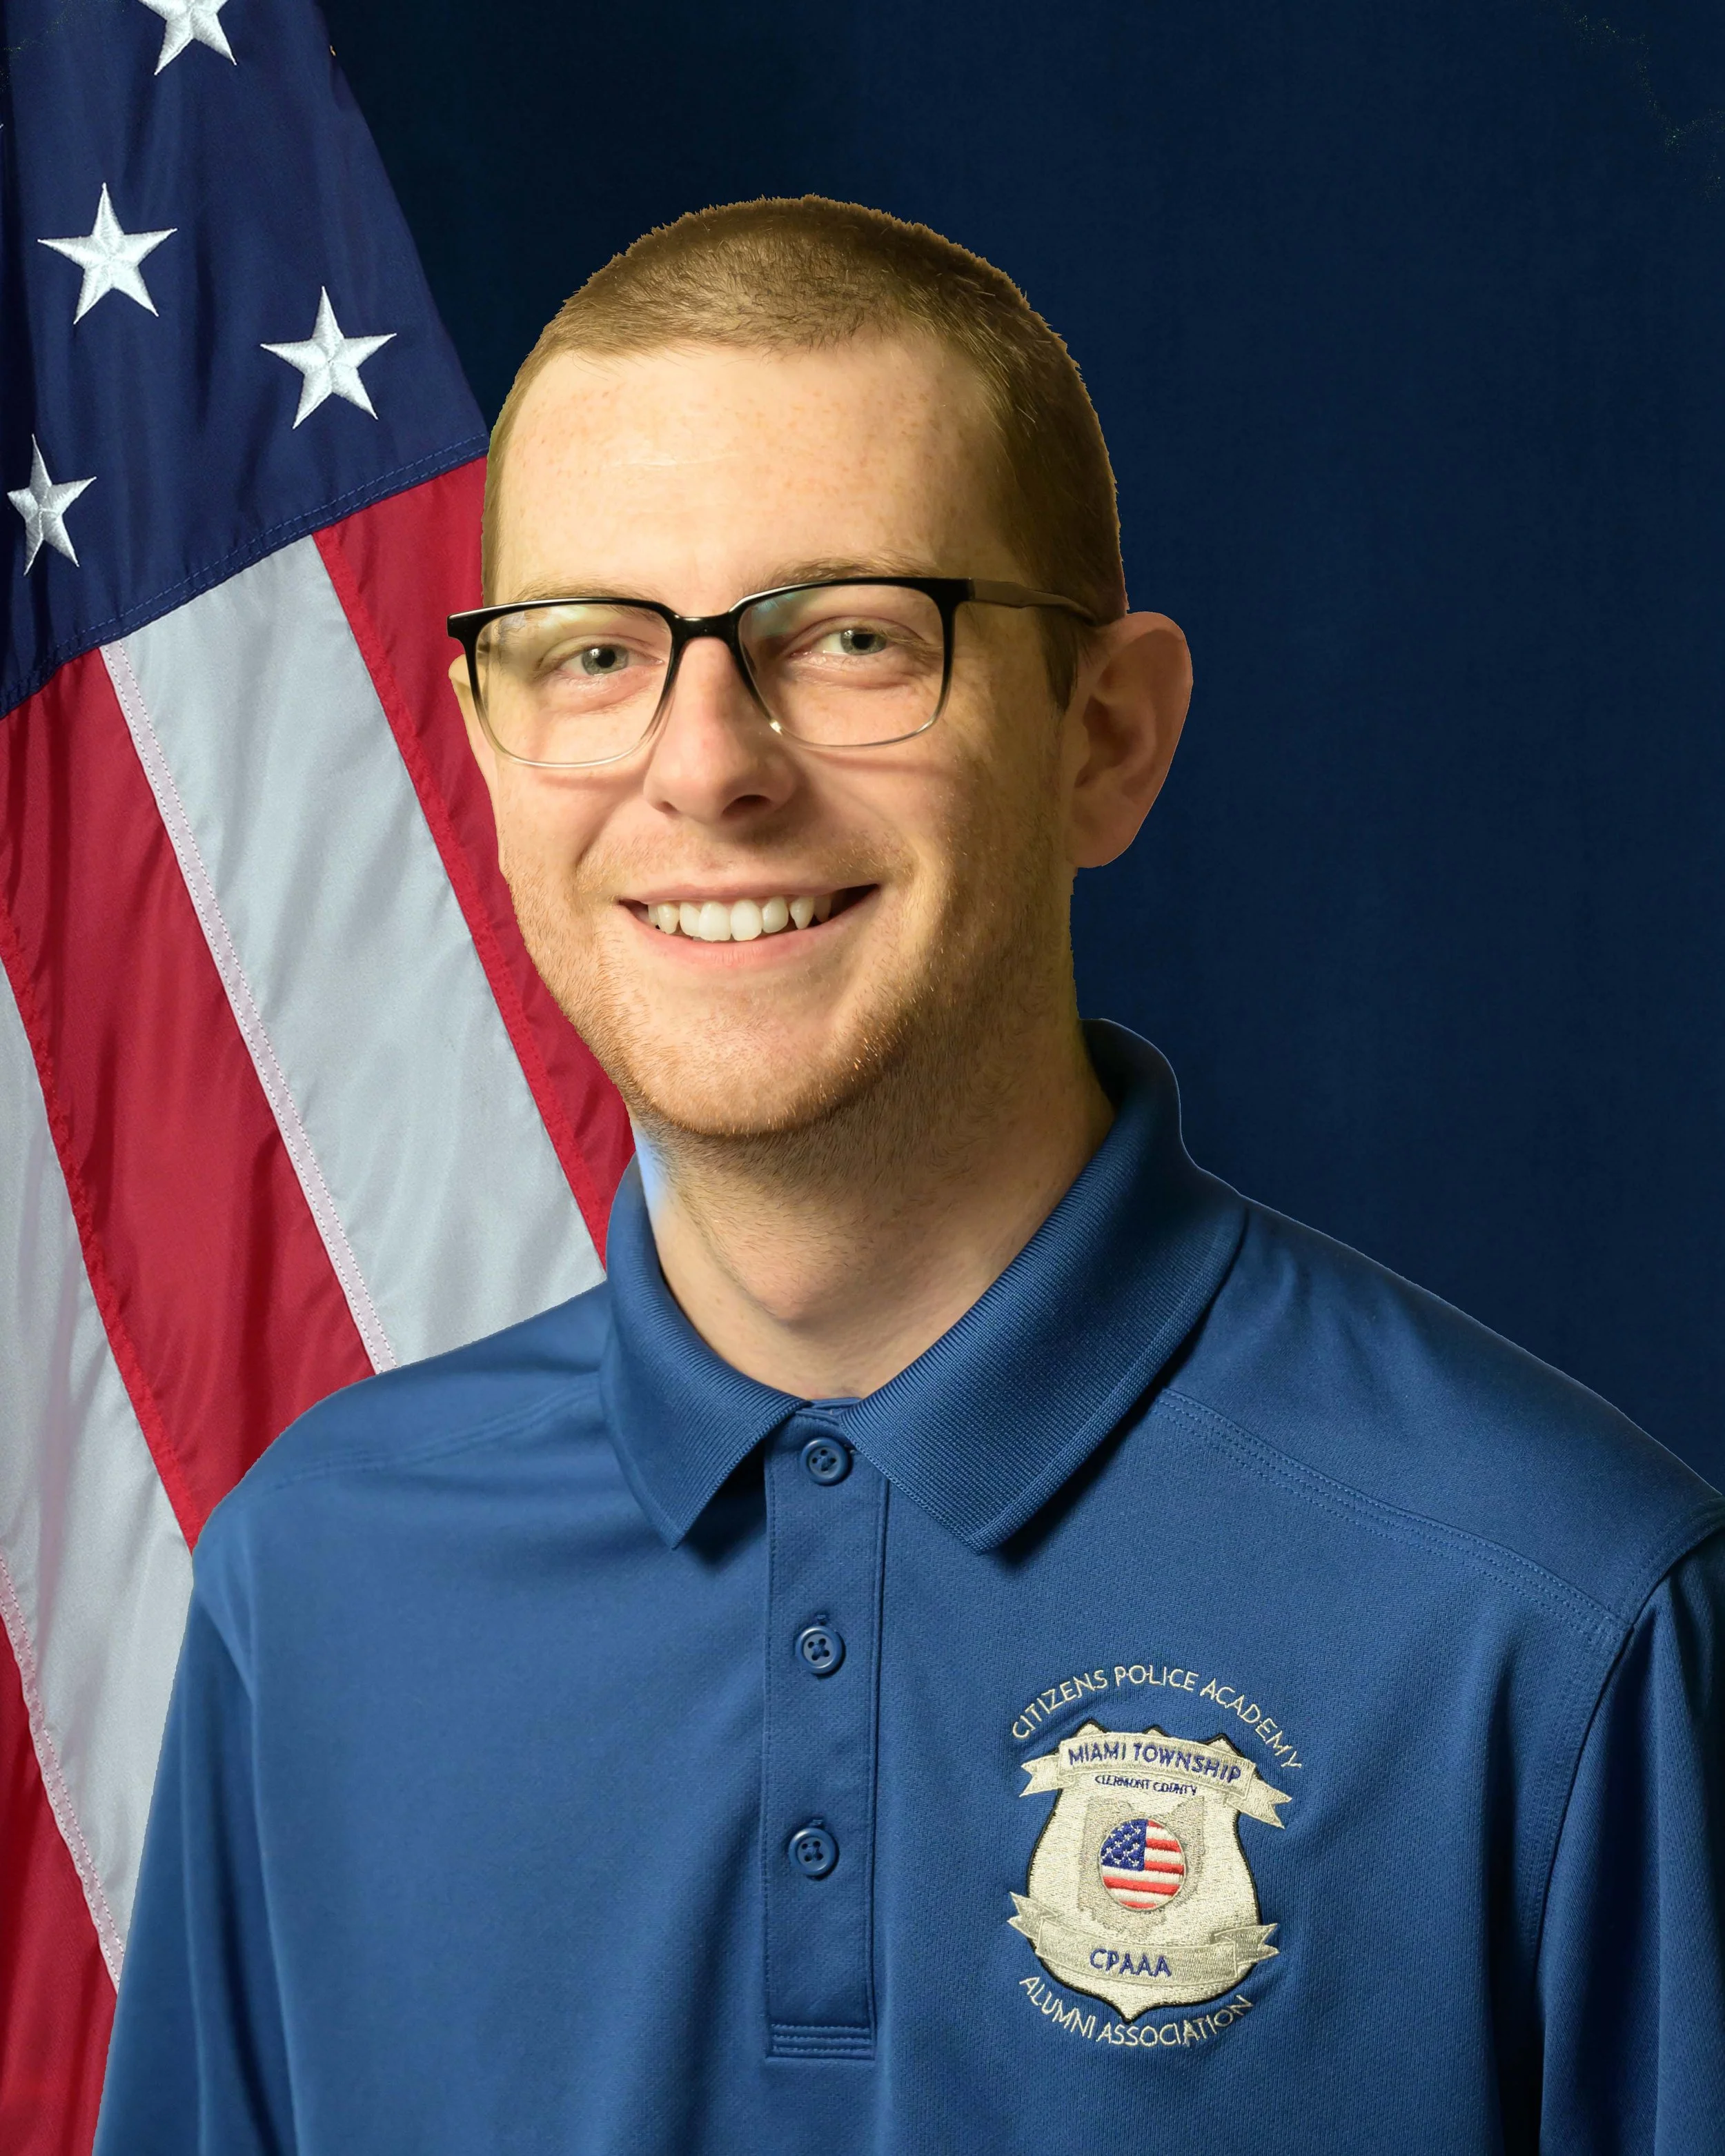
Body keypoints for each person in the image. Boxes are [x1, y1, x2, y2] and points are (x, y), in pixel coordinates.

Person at [95, 197, 1724, 2156]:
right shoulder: (323, 1582)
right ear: (487, 741)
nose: (704, 764)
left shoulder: (1555, 1620)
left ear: (1104, 739)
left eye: (851, 636)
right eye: (592, 650)